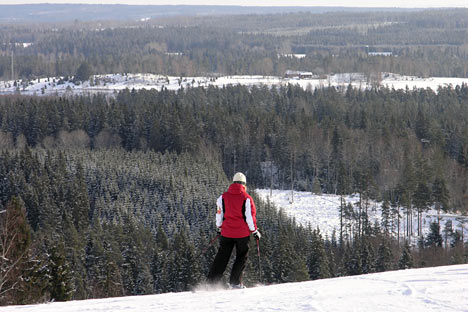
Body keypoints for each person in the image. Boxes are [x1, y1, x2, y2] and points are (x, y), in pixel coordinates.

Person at [207, 172, 261, 289]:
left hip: (226, 233)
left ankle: (211, 283)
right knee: (241, 256)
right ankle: (235, 282)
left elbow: (219, 214)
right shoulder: (247, 198)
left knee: (222, 256)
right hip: (242, 234)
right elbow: (250, 217)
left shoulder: (222, 197)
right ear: (244, 184)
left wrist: (219, 227)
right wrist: (255, 231)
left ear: (233, 182)